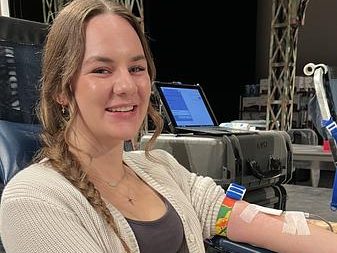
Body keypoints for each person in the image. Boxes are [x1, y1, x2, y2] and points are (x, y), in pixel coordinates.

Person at [0, 0, 337, 252]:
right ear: (61, 88)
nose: (127, 87)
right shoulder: (34, 200)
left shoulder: (158, 167)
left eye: (136, 68)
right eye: (101, 70)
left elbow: (249, 219)